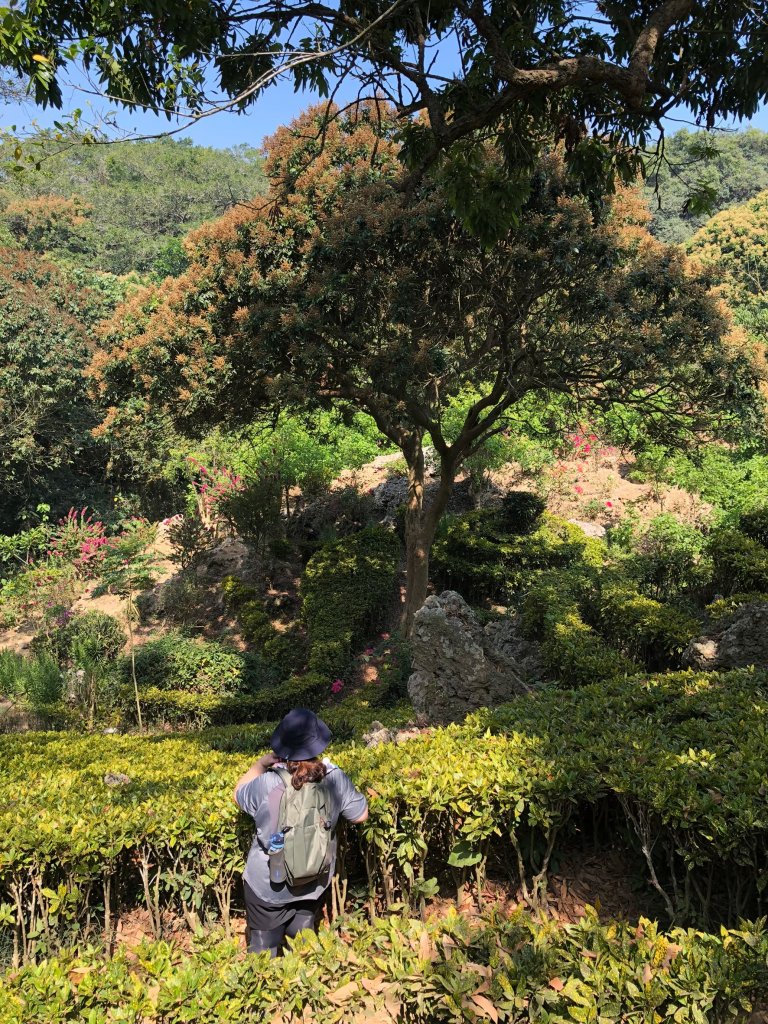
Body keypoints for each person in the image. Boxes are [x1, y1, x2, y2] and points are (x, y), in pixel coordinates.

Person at [233, 707, 368, 956]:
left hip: (268, 886)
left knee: (264, 953)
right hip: (314, 880)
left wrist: (260, 764)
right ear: (318, 745)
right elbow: (360, 816)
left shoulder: (267, 783)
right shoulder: (335, 778)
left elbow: (238, 793)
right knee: (303, 945)